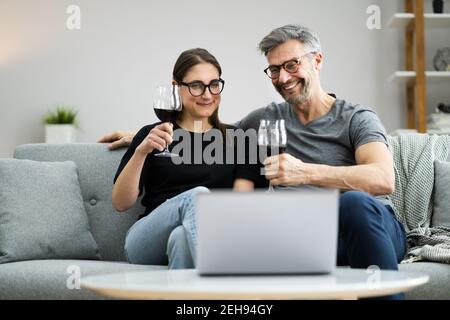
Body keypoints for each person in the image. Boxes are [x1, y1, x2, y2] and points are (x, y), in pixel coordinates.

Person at [101, 25, 406, 298]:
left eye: (291, 65)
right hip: (302, 238)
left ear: (317, 60)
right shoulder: (264, 120)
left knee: (353, 203)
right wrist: (142, 140)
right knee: (197, 214)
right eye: (274, 69)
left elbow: (383, 179)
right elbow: (199, 130)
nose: (283, 77)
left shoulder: (355, 117)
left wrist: (304, 172)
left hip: (362, 226)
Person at [112, 48, 262, 269]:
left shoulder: (239, 141)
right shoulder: (151, 135)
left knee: (182, 238)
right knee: (198, 196)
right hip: (146, 241)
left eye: (214, 84)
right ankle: (224, 280)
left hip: (215, 235)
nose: (208, 94)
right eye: (196, 85)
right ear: (176, 87)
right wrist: (141, 151)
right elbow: (120, 203)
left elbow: (239, 208)